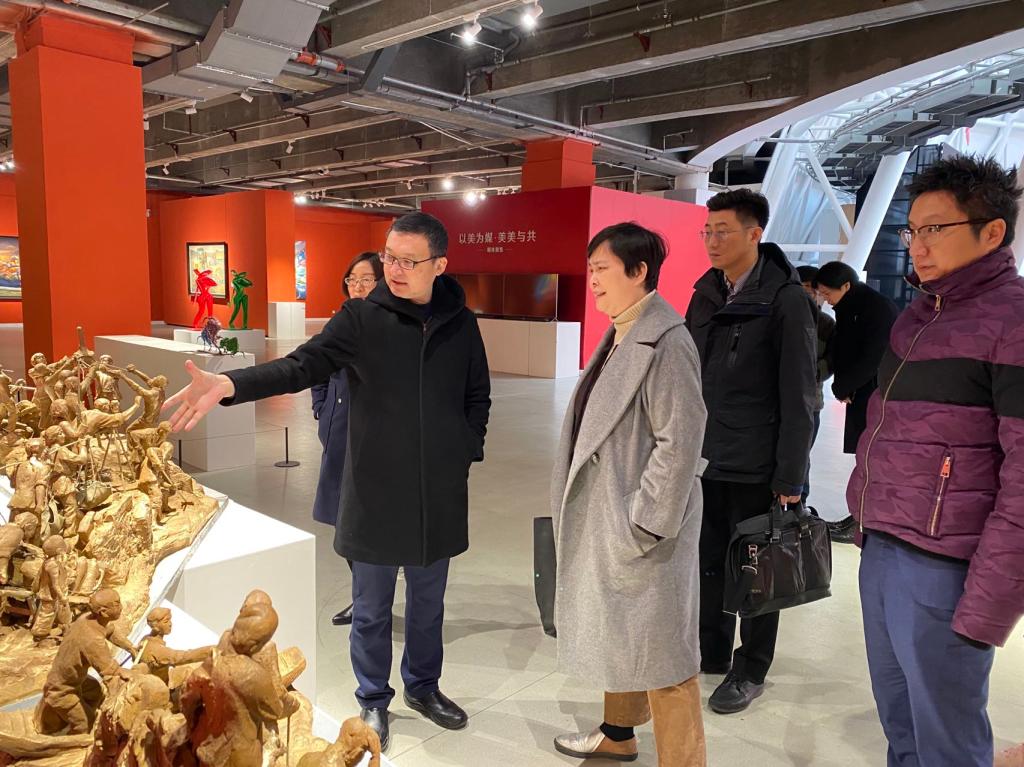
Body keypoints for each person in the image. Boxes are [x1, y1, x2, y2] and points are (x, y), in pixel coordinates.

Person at [164, 211, 491, 751]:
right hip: (375, 493)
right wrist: (230, 384)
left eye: (409, 261)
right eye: (389, 257)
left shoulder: (461, 324)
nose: (395, 270)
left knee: (428, 605)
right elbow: (301, 365)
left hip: (438, 494)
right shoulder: (360, 319)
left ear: (440, 265)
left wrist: (463, 450)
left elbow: (477, 394)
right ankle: (373, 698)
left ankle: (423, 687)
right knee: (371, 609)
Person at [849, 155, 1024, 767]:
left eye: (935, 229)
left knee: (947, 742)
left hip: (948, 569)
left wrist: (988, 605)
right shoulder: (918, 317)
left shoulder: (1014, 322)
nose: (918, 246)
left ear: (992, 231)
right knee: (900, 725)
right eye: (912, 230)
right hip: (883, 548)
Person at [551, 223, 708, 766]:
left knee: (664, 657)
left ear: (639, 272)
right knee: (623, 634)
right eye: (590, 268)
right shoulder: (624, 330)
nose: (592, 280)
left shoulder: (668, 342)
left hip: (643, 527)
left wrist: (644, 522)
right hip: (614, 515)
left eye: (602, 269)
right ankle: (618, 734)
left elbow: (680, 439)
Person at [685, 189, 817, 714]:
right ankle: (711, 650)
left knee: (759, 571)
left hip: (758, 463)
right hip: (705, 457)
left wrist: (791, 477)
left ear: (754, 234)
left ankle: (751, 667)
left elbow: (801, 395)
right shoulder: (705, 292)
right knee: (708, 561)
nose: (712, 241)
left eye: (723, 231)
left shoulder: (785, 300)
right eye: (707, 231)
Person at [311, 252, 384, 627]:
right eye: (352, 280)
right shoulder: (338, 323)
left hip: (373, 442)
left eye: (366, 280)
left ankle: (369, 602)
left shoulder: (390, 327)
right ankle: (365, 599)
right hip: (338, 437)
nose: (357, 286)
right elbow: (315, 365)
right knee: (344, 525)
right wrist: (321, 407)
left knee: (367, 525)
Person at [813, 260, 898, 543]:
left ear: (846, 286)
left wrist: (844, 385)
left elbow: (873, 356)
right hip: (861, 390)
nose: (826, 299)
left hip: (875, 392)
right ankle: (857, 516)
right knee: (864, 454)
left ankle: (864, 521)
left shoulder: (876, 309)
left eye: (828, 293)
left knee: (872, 454)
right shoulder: (851, 307)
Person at [796, 265, 836, 507]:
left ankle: (799, 506)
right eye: (803, 288)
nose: (809, 294)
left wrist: (806, 374)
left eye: (813, 290)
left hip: (811, 402)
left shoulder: (826, 324)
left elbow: (832, 361)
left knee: (802, 456)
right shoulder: (782, 317)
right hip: (777, 402)